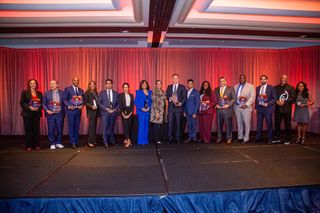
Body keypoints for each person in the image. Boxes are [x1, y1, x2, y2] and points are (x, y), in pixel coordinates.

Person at [20, 79, 43, 151]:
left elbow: (41, 103)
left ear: (36, 84)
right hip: (27, 113)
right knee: (28, 129)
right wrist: (30, 107)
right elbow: (22, 102)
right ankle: (28, 145)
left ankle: (36, 144)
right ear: (29, 84)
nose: (33, 84)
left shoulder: (39, 93)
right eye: (31, 83)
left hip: (36, 113)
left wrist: (38, 108)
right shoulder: (25, 92)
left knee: (36, 129)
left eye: (34, 83)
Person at [63, 76, 84, 149]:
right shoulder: (68, 89)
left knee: (77, 127)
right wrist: (69, 106)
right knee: (71, 126)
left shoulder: (81, 90)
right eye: (74, 80)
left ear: (78, 81)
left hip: (78, 111)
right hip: (71, 111)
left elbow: (82, 100)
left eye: (77, 80)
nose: (76, 81)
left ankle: (76, 142)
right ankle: (72, 143)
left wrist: (82, 105)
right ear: (72, 81)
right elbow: (64, 99)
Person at [273, 74, 295, 145]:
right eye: (282, 78)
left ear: (287, 79)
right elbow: (273, 96)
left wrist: (284, 102)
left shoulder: (291, 88)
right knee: (277, 124)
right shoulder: (275, 87)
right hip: (278, 109)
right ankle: (277, 138)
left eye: (285, 78)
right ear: (280, 79)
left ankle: (288, 139)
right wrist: (277, 101)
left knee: (287, 124)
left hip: (287, 109)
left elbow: (292, 98)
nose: (283, 79)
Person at [42, 80, 65, 150]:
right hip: (50, 114)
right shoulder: (46, 93)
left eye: (53, 84)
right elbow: (43, 103)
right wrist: (47, 110)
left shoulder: (62, 93)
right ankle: (52, 143)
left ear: (57, 85)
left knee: (59, 128)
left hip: (59, 114)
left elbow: (64, 103)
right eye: (50, 84)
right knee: (51, 129)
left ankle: (58, 143)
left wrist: (61, 108)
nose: (51, 85)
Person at [234, 75, 255, 144]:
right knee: (239, 123)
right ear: (239, 79)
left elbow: (253, 97)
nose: (242, 79)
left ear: (245, 78)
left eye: (243, 78)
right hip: (237, 107)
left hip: (246, 108)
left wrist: (246, 105)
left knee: (247, 123)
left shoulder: (251, 86)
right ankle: (240, 137)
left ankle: (246, 138)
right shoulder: (235, 86)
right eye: (241, 78)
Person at [255, 75, 277, 144]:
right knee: (259, 124)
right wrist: (256, 108)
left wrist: (268, 104)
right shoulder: (258, 88)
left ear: (267, 80)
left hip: (267, 108)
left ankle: (270, 139)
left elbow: (275, 98)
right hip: (260, 108)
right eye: (262, 79)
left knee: (269, 124)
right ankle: (258, 138)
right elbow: (256, 99)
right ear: (260, 80)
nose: (263, 80)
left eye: (264, 79)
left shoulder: (271, 88)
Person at [166, 74, 187, 144]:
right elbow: (166, 95)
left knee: (178, 124)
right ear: (172, 79)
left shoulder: (182, 87)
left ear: (178, 79)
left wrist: (181, 103)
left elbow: (184, 97)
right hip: (171, 108)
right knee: (170, 124)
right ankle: (170, 138)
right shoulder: (169, 87)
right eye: (174, 78)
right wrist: (169, 98)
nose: (175, 79)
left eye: (176, 78)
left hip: (178, 108)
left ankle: (178, 138)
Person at [215, 77, 236, 145]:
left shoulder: (231, 88)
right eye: (220, 81)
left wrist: (228, 105)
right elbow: (215, 99)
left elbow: (234, 98)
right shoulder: (216, 89)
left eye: (223, 81)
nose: (222, 82)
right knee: (219, 125)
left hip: (227, 110)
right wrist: (216, 105)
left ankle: (229, 138)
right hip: (219, 110)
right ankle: (219, 138)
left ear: (226, 82)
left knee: (228, 125)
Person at [99, 79, 119, 148]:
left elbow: (118, 104)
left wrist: (115, 109)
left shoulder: (116, 93)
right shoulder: (102, 93)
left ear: (112, 84)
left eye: (110, 83)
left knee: (111, 128)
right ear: (105, 85)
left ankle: (112, 141)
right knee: (105, 128)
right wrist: (106, 108)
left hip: (113, 113)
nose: (109, 85)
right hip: (105, 113)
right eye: (107, 83)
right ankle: (105, 142)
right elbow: (99, 103)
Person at [135, 80, 152, 145]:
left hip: (148, 111)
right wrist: (142, 108)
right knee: (141, 126)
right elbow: (136, 101)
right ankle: (141, 141)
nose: (144, 85)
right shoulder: (138, 92)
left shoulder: (150, 92)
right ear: (141, 85)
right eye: (143, 84)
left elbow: (152, 101)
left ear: (147, 85)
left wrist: (149, 107)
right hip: (141, 112)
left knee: (146, 127)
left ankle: (145, 141)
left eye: (145, 84)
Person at [150, 80, 167, 144]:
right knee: (156, 126)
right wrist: (156, 112)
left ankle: (159, 139)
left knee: (160, 126)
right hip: (157, 111)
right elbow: (154, 102)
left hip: (162, 111)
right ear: (156, 85)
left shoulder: (163, 91)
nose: (159, 85)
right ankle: (156, 140)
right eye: (158, 84)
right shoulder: (154, 91)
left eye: (160, 84)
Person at [84, 81, 100, 148]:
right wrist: (91, 106)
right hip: (91, 112)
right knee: (91, 127)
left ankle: (93, 140)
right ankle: (90, 142)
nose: (93, 85)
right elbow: (86, 102)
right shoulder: (87, 92)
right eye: (91, 84)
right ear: (89, 85)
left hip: (96, 112)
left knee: (94, 127)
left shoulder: (96, 92)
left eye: (94, 84)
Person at [118, 82, 134, 148]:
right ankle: (129, 141)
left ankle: (127, 139)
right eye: (124, 87)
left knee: (129, 127)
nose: (126, 88)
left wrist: (130, 114)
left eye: (127, 87)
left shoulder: (131, 95)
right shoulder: (120, 95)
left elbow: (132, 105)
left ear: (129, 88)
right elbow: (120, 105)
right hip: (123, 112)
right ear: (123, 88)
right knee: (125, 127)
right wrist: (123, 114)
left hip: (130, 112)